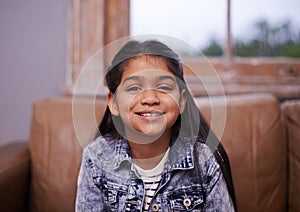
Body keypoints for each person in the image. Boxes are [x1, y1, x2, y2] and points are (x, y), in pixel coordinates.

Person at [76, 39, 237, 211]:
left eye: (164, 87)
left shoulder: (204, 161)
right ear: (113, 102)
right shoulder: (96, 158)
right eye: (134, 88)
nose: (150, 98)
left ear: (182, 100)